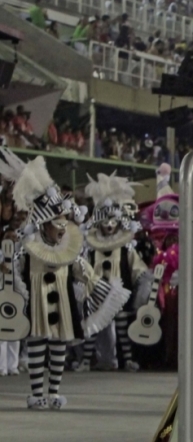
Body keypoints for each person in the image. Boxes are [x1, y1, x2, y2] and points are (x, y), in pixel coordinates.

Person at [0, 150, 129, 410]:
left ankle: (55, 392)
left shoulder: (69, 247)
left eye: (62, 225)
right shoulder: (29, 246)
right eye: (55, 225)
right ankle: (37, 393)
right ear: (44, 224)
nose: (60, 229)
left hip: (62, 306)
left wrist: (99, 288)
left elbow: (82, 269)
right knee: (37, 344)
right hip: (37, 304)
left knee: (59, 345)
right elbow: (15, 268)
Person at [80, 173, 150, 372]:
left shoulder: (125, 248)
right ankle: (87, 360)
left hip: (118, 294)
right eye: (105, 221)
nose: (109, 225)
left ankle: (126, 359)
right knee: (92, 324)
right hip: (97, 293)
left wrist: (144, 286)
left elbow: (138, 270)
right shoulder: (92, 248)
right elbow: (84, 268)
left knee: (120, 324)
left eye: (113, 221)